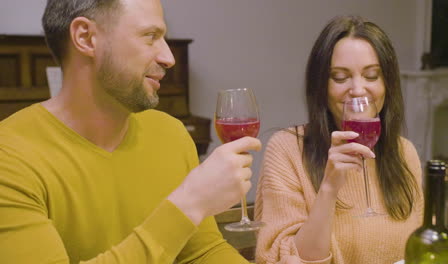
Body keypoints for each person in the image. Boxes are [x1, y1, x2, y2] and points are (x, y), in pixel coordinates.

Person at [0, 0, 261, 263]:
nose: (169, 58)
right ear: (86, 38)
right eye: (150, 37)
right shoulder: (9, 156)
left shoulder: (170, 132)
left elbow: (203, 252)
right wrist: (189, 203)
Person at [255, 15, 423, 264]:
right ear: (321, 86)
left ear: (388, 84)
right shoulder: (287, 149)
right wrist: (330, 187)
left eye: (371, 75)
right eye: (340, 78)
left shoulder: (404, 151)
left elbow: (416, 251)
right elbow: (287, 259)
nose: (357, 89)